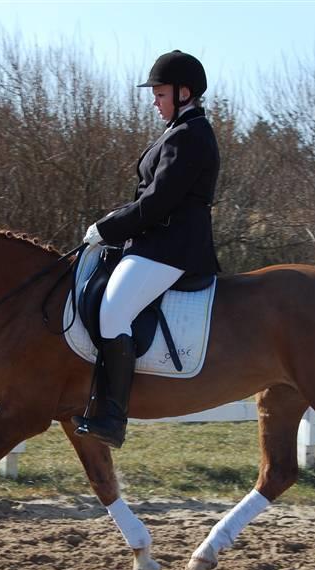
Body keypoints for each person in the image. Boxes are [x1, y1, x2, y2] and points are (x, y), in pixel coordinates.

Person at [72, 49, 221, 448]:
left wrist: (108, 227)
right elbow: (147, 196)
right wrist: (112, 225)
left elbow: (157, 202)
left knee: (114, 310)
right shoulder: (177, 131)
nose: (155, 102)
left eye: (160, 94)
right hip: (154, 243)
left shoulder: (191, 135)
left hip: (173, 248)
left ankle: (113, 418)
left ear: (184, 92)